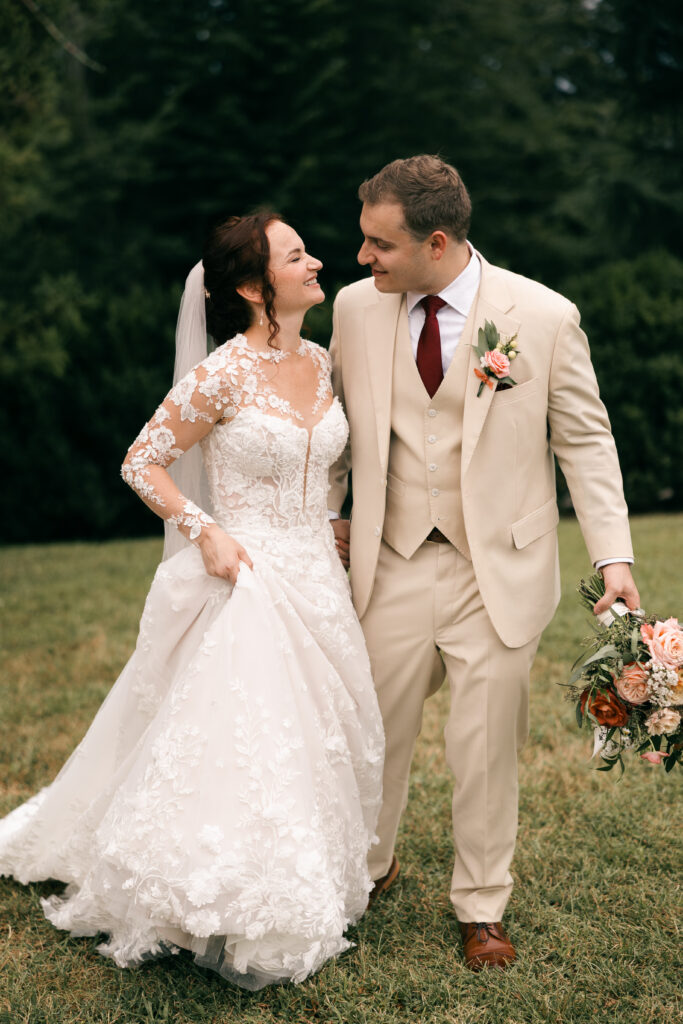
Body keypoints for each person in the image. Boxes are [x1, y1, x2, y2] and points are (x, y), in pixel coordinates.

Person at [0, 212, 384, 990]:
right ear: (251, 286)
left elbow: (328, 461)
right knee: (248, 736)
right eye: (295, 254)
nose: (316, 261)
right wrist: (203, 529)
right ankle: (220, 893)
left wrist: (336, 518)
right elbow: (143, 462)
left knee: (323, 733)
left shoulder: (322, 362)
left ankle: (307, 869)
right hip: (245, 576)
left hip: (319, 573)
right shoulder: (223, 373)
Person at [327, 155, 639, 971]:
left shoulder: (540, 315)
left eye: (379, 245)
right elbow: (334, 426)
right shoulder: (355, 310)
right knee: (371, 731)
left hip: (495, 565)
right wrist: (328, 513)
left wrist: (612, 555)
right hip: (385, 561)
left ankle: (481, 904)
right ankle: (366, 867)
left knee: (484, 744)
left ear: (435, 242)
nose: (363, 258)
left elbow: (583, 438)